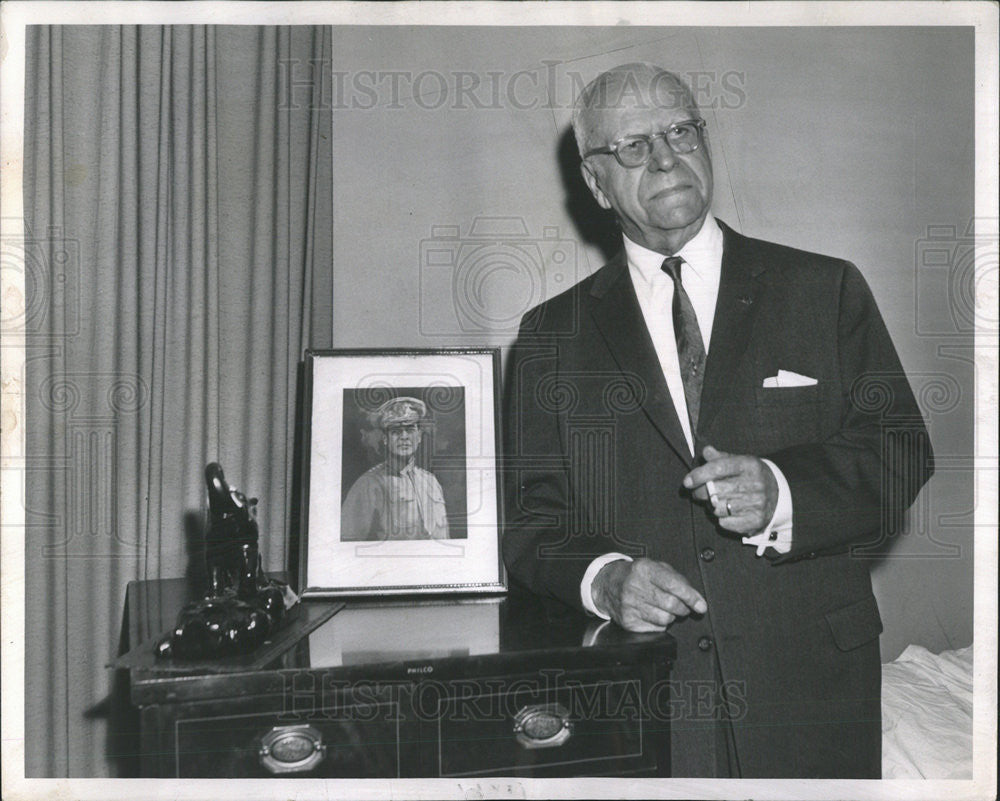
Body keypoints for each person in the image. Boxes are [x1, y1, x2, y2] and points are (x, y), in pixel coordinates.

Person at [502, 63, 933, 778]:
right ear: (595, 181)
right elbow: (530, 526)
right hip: (647, 700)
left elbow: (900, 450)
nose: (666, 157)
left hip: (814, 692)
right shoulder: (551, 337)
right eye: (634, 147)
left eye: (680, 131)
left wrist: (785, 492)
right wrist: (606, 580)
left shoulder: (825, 289)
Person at [341, 396, 450, 541]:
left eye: (410, 430)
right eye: (396, 431)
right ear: (385, 439)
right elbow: (349, 544)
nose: (404, 437)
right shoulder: (368, 484)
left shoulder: (431, 481)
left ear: (419, 436)